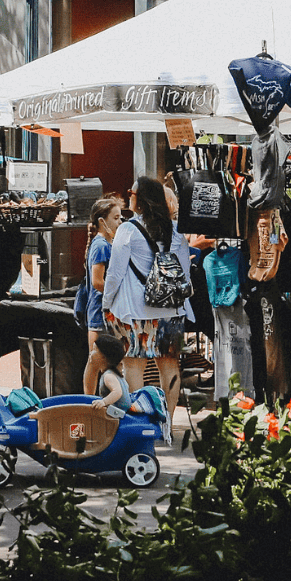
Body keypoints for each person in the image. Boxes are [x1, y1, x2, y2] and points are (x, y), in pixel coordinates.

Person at [102, 176, 193, 420]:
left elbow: (115, 273)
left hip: (137, 309)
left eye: (131, 193)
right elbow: (185, 272)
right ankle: (169, 421)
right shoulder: (175, 232)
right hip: (172, 310)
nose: (128, 195)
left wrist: (107, 302)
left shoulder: (128, 230)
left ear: (141, 200)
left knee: (134, 364)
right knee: (169, 364)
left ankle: (141, 419)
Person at [82, 196, 124, 395]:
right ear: (102, 221)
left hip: (109, 310)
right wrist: (119, 292)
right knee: (95, 359)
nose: (119, 222)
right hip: (100, 311)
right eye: (115, 218)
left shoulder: (109, 244)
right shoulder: (100, 246)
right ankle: (88, 400)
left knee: (110, 361)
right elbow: (97, 281)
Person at [89, 334, 132, 412]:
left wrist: (103, 402)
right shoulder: (114, 374)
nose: (91, 353)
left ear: (104, 357)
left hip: (119, 416)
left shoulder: (108, 376)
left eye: (94, 350)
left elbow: (118, 392)